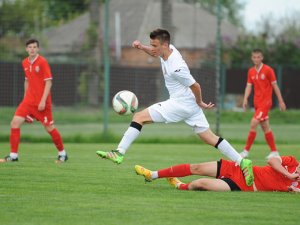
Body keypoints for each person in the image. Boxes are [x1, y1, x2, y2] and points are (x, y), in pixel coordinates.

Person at [96, 28, 254, 186]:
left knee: (139, 117)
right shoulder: (166, 51)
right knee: (209, 137)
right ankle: (242, 161)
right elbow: (154, 53)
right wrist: (142, 48)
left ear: (165, 45)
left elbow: (196, 86)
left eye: (155, 45)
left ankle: (119, 152)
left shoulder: (176, 67)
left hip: (181, 103)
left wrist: (200, 102)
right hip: (188, 104)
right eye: (151, 44)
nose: (153, 47)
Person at [0, 38, 68, 163]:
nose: (32, 49)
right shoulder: (24, 62)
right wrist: (25, 98)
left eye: (34, 47)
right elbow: (27, 80)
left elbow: (48, 82)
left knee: (49, 128)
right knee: (14, 123)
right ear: (26, 49)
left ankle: (63, 154)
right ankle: (13, 156)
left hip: (42, 103)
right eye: (30, 47)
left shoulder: (42, 62)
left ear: (38, 49)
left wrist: (43, 101)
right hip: (28, 102)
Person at [135, 154, 300, 192]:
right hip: (241, 169)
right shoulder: (292, 162)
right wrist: (290, 175)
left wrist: (294, 188)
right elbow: (271, 160)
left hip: (242, 185)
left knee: (200, 184)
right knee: (197, 167)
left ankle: (179, 185)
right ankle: (153, 174)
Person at [240, 49, 286, 159]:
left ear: (262, 58)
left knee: (253, 123)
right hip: (257, 103)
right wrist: (245, 98)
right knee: (265, 127)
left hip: (265, 103)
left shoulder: (268, 70)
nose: (256, 59)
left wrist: (281, 101)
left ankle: (245, 151)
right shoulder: (251, 71)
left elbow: (275, 86)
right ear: (252, 58)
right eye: (254, 57)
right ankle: (274, 151)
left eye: (258, 57)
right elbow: (249, 86)